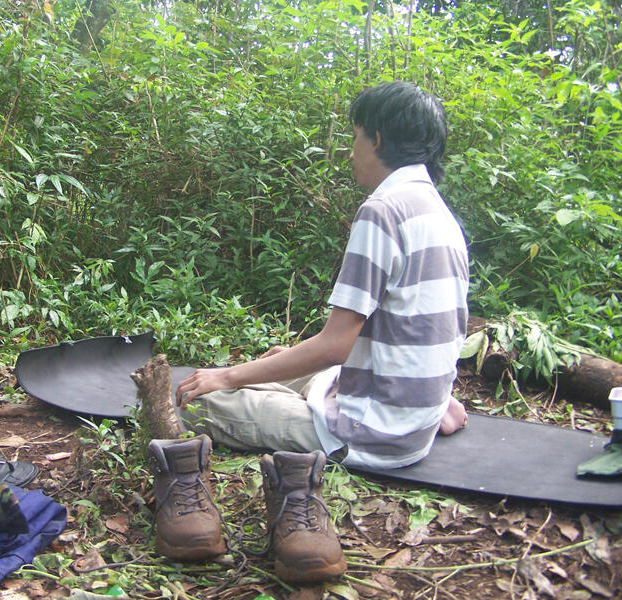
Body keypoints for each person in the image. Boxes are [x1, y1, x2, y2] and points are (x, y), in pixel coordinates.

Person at [175, 80, 470, 470]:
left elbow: (335, 346)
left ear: (377, 140)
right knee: (288, 363)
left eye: (356, 137)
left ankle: (316, 414)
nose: (351, 152)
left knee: (194, 403)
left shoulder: (383, 210)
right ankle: (431, 409)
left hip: (373, 434)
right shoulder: (438, 211)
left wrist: (229, 377)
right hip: (416, 414)